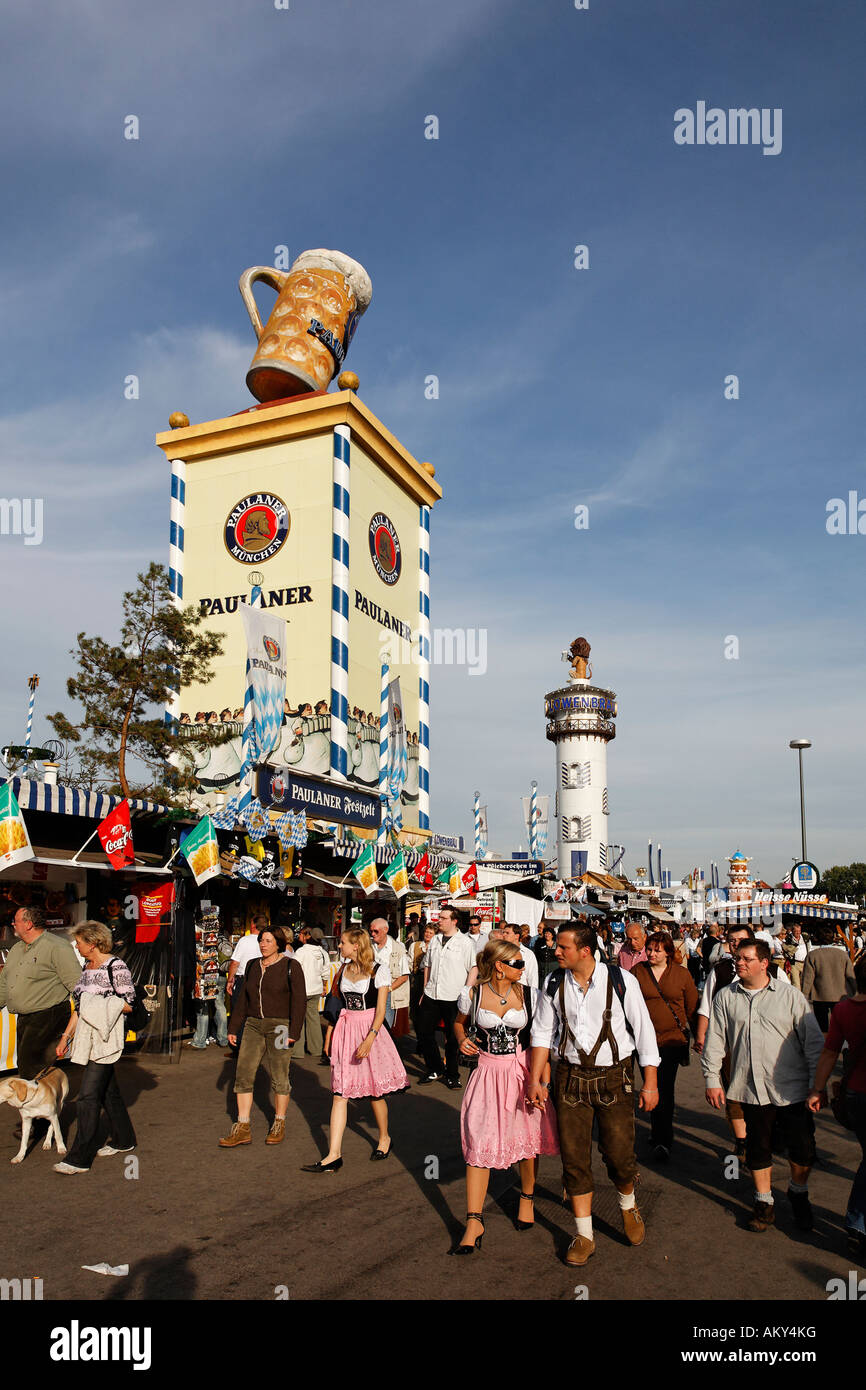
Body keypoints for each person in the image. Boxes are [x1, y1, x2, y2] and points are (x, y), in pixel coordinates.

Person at [529, 924, 660, 1267]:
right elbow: (542, 1034)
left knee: (618, 1155)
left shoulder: (620, 981)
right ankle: (584, 1235)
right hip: (569, 1077)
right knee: (574, 1159)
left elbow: (644, 1032)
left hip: (614, 1077)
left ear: (584, 950)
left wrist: (651, 1082)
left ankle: (628, 1205)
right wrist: (535, 1080)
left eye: (563, 947)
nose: (556, 952)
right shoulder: (553, 983)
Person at [702, 940, 825, 1233]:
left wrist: (815, 1085)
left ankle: (798, 1192)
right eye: (737, 958)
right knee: (758, 1147)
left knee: (803, 1149)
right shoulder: (725, 998)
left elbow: (813, 1043)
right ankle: (764, 1201)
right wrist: (711, 1078)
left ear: (763, 963)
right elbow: (715, 1040)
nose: (739, 963)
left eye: (746, 958)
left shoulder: (789, 997)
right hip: (749, 1087)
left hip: (791, 1088)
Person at [450, 940, 558, 1253]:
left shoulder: (531, 996)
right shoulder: (472, 994)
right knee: (479, 1142)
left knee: (526, 1141)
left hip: (521, 1072)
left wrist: (542, 1083)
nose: (523, 969)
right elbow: (458, 1024)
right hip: (486, 1074)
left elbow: (541, 1042)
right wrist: (460, 1040)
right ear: (499, 965)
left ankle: (527, 1196)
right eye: (518, 964)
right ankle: (473, 1220)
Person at [301, 928, 407, 1171]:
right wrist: (332, 1036)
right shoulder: (342, 970)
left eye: (343, 943)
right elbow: (336, 1006)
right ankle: (333, 1154)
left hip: (369, 1029)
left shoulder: (379, 970)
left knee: (374, 1092)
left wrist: (370, 1037)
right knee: (340, 1093)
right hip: (347, 1030)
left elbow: (381, 1010)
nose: (340, 946)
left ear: (356, 945)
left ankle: (384, 1137)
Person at [53, 922, 136, 1174]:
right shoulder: (86, 967)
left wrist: (99, 1006)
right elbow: (80, 1007)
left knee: (88, 1096)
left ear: (92, 943)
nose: (76, 947)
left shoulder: (116, 966)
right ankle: (125, 1140)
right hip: (87, 1039)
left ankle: (79, 1158)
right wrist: (66, 1036)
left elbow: (129, 1003)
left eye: (78, 942)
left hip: (106, 1039)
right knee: (108, 1093)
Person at [220, 928, 305, 1147]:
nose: (263, 944)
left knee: (279, 1074)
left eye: (268, 941)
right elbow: (243, 1000)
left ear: (279, 943)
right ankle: (243, 1126)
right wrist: (234, 1026)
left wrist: (293, 1032)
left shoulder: (290, 966)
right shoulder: (252, 965)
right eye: (261, 940)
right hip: (253, 1025)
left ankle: (279, 1122)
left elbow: (299, 1002)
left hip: (279, 1027)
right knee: (243, 1073)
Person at [807, 954, 866, 1255]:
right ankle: (856, 1222)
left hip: (855, 1095)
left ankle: (857, 1224)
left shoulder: (844, 1010)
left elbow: (830, 1053)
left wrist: (818, 1089)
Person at [693, 926, 758, 1162]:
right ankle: (742, 1141)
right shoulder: (720, 970)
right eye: (731, 940)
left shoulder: (772, 969)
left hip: (765, 1044)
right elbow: (706, 1006)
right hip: (730, 1043)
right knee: (734, 1090)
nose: (735, 944)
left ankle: (762, 1134)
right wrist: (701, 1036)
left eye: (740, 940)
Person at [633, 932, 699, 1160]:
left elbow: (692, 1008)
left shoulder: (681, 975)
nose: (651, 953)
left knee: (664, 1086)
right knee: (650, 1085)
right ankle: (656, 1130)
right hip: (643, 1040)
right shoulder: (638, 972)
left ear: (668, 952)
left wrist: (700, 1036)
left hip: (671, 1040)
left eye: (657, 950)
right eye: (649, 949)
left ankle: (663, 1138)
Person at [0, 906, 81, 1080]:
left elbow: (76, 985)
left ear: (28, 924)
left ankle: (40, 1104)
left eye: (16, 920)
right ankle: (38, 1103)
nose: (12, 924)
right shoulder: (16, 949)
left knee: (32, 1068)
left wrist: (77, 1020)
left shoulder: (57, 947)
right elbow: (5, 983)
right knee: (26, 1066)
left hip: (48, 1014)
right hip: (24, 1017)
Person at [416, 906, 476, 1088]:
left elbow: (473, 967)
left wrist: (467, 991)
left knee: (451, 1037)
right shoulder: (434, 940)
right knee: (424, 1033)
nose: (439, 921)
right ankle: (434, 1067)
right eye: (439, 918)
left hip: (453, 996)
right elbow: (427, 965)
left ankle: (452, 1073)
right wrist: (425, 988)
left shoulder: (465, 943)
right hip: (432, 993)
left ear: (454, 921)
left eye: (443, 918)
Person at [803, 926, 856, 1032]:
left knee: (822, 1027)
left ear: (817, 938)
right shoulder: (842, 955)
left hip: (820, 996)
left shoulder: (812, 955)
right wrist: (856, 992)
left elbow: (808, 979)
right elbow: (850, 975)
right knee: (841, 1026)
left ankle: (825, 1046)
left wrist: (803, 996)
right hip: (841, 995)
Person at [292, 926, 331, 1063]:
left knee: (298, 1018)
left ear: (309, 937)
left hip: (301, 990)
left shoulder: (301, 952)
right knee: (313, 1018)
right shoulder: (323, 953)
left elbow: (294, 969)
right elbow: (326, 972)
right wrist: (324, 986)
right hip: (316, 989)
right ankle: (315, 1048)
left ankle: (297, 1050)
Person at [369, 918, 410, 1036]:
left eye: (375, 931)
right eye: (371, 931)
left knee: (384, 1027)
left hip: (388, 994)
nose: (372, 934)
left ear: (385, 930)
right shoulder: (368, 947)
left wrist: (388, 989)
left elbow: (404, 976)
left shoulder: (399, 949)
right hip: (370, 990)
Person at [496, 922, 539, 989]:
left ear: (517, 936)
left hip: (521, 993)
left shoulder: (528, 954)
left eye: (507, 933)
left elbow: (533, 978)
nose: (504, 935)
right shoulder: (499, 952)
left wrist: (532, 996)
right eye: (503, 932)